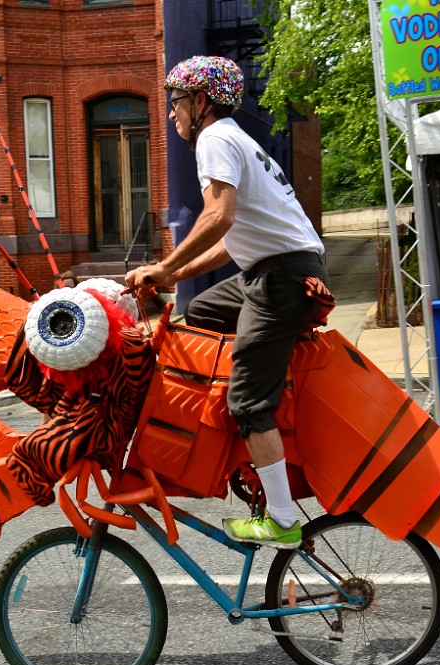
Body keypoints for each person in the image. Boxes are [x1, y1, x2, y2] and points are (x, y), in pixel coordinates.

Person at [124, 55, 330, 548]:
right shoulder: (237, 138)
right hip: (275, 272)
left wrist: (164, 267)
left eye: (175, 102)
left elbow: (218, 216)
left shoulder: (214, 138)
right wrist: (171, 276)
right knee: (200, 312)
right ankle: (242, 416)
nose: (171, 113)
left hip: (281, 279)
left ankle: (281, 516)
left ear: (200, 102)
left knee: (247, 402)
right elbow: (227, 238)